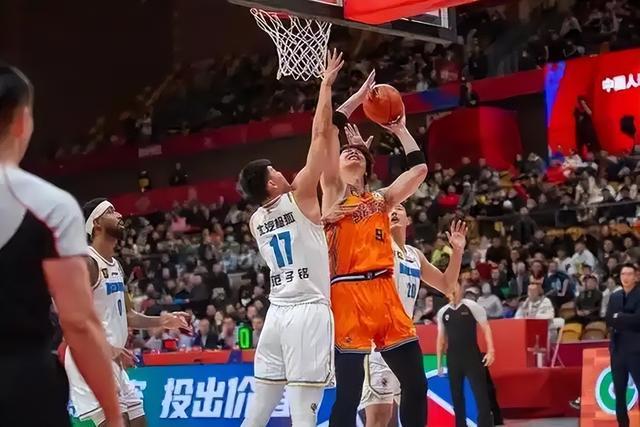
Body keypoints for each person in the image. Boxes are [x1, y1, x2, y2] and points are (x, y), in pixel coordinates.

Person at [0, 65, 123, 427]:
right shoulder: (51, 206)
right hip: (22, 385)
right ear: (23, 122)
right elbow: (77, 323)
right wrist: (113, 412)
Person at [238, 50, 343, 427]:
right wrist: (325, 86)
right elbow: (319, 134)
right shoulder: (300, 195)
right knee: (304, 412)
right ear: (271, 184)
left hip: (276, 314)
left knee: (257, 412)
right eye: (275, 171)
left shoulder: (255, 220)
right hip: (307, 311)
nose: (282, 172)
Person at [321, 69, 429, 427]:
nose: (351, 154)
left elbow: (419, 169)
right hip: (347, 293)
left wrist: (400, 130)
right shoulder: (332, 192)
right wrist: (357, 97)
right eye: (346, 153)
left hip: (384, 292)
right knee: (349, 393)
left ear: (368, 166)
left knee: (416, 383)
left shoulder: (382, 200)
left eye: (358, 153)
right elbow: (330, 128)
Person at [64, 198, 188, 427]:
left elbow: (128, 315)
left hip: (111, 359)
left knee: (139, 422)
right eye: (111, 211)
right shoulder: (87, 263)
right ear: (97, 224)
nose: (120, 215)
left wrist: (164, 321)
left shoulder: (116, 265)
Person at [359, 204, 467, 427]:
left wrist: (457, 252)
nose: (393, 212)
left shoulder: (414, 255)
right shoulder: (377, 247)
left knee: (415, 402)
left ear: (408, 220)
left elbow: (447, 285)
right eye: (389, 209)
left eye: (399, 208)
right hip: (378, 342)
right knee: (379, 417)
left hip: (405, 339)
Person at [437, 285, 496, 427]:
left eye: (455, 288)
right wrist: (439, 363)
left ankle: (485, 424)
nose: (453, 291)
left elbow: (486, 327)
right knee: (456, 395)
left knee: (480, 393)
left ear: (461, 290)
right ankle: (460, 424)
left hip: (472, 357)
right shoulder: (443, 312)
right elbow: (441, 338)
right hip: (453, 358)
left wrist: (491, 350)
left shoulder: (471, 306)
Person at [605, 263, 640, 427]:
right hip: (617, 349)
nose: (625, 277)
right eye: (623, 274)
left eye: (629, 274)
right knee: (619, 391)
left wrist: (620, 317)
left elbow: (638, 320)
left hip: (636, 349)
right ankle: (623, 424)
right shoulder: (615, 296)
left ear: (636, 277)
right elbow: (609, 319)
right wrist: (625, 318)